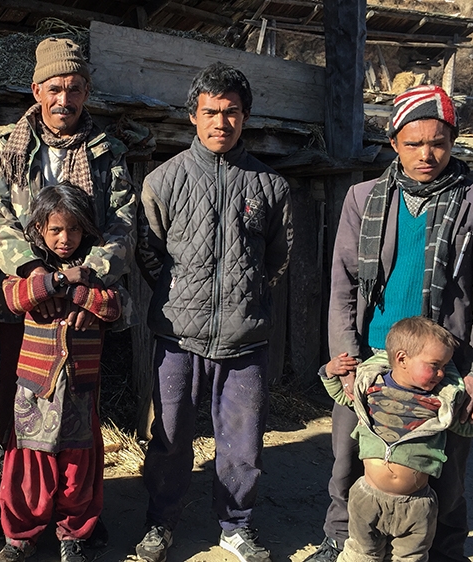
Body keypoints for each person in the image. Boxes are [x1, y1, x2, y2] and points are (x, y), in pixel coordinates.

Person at [306, 84, 473, 562]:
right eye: (413, 143)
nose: (426, 154)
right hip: (372, 357)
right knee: (349, 458)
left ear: (453, 141)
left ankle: (444, 549)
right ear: (394, 143)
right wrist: (344, 355)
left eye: (437, 142)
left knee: (444, 463)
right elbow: (343, 285)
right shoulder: (363, 198)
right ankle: (341, 540)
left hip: (442, 364)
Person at [134, 61, 292, 562]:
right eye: (211, 112)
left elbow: (278, 257)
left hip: (245, 340)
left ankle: (236, 526)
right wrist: (179, 290)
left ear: (246, 117)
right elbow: (148, 251)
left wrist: (247, 299)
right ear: (192, 117)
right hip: (177, 336)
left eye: (232, 113)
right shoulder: (164, 180)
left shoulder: (271, 187)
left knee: (243, 444)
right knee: (170, 437)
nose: (221, 123)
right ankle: (161, 523)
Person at [0, 36, 135, 545]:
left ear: (86, 91)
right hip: (29, 297)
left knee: (78, 421)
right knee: (24, 412)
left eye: (74, 89)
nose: (63, 100)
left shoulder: (106, 150)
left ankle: (77, 522)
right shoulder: (10, 146)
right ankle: (22, 522)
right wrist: (30, 272)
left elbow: (120, 224)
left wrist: (86, 277)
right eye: (54, 89)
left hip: (85, 295)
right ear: (36, 89)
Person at [0, 184, 122, 562]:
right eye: (55, 230)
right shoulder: (30, 275)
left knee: (75, 470)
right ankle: (20, 537)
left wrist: (82, 294)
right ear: (38, 230)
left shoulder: (96, 277)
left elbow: (112, 308)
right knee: (29, 469)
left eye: (74, 230)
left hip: (80, 391)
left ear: (86, 230)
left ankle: (73, 536)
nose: (65, 239)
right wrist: (59, 281)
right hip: (35, 392)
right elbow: (15, 298)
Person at [320, 317, 473, 562]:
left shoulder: (440, 402)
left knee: (412, 557)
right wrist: (329, 372)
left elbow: (465, 428)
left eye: (446, 366)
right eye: (435, 365)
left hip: (416, 506)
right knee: (360, 554)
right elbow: (344, 398)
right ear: (402, 359)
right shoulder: (372, 387)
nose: (441, 373)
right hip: (367, 498)